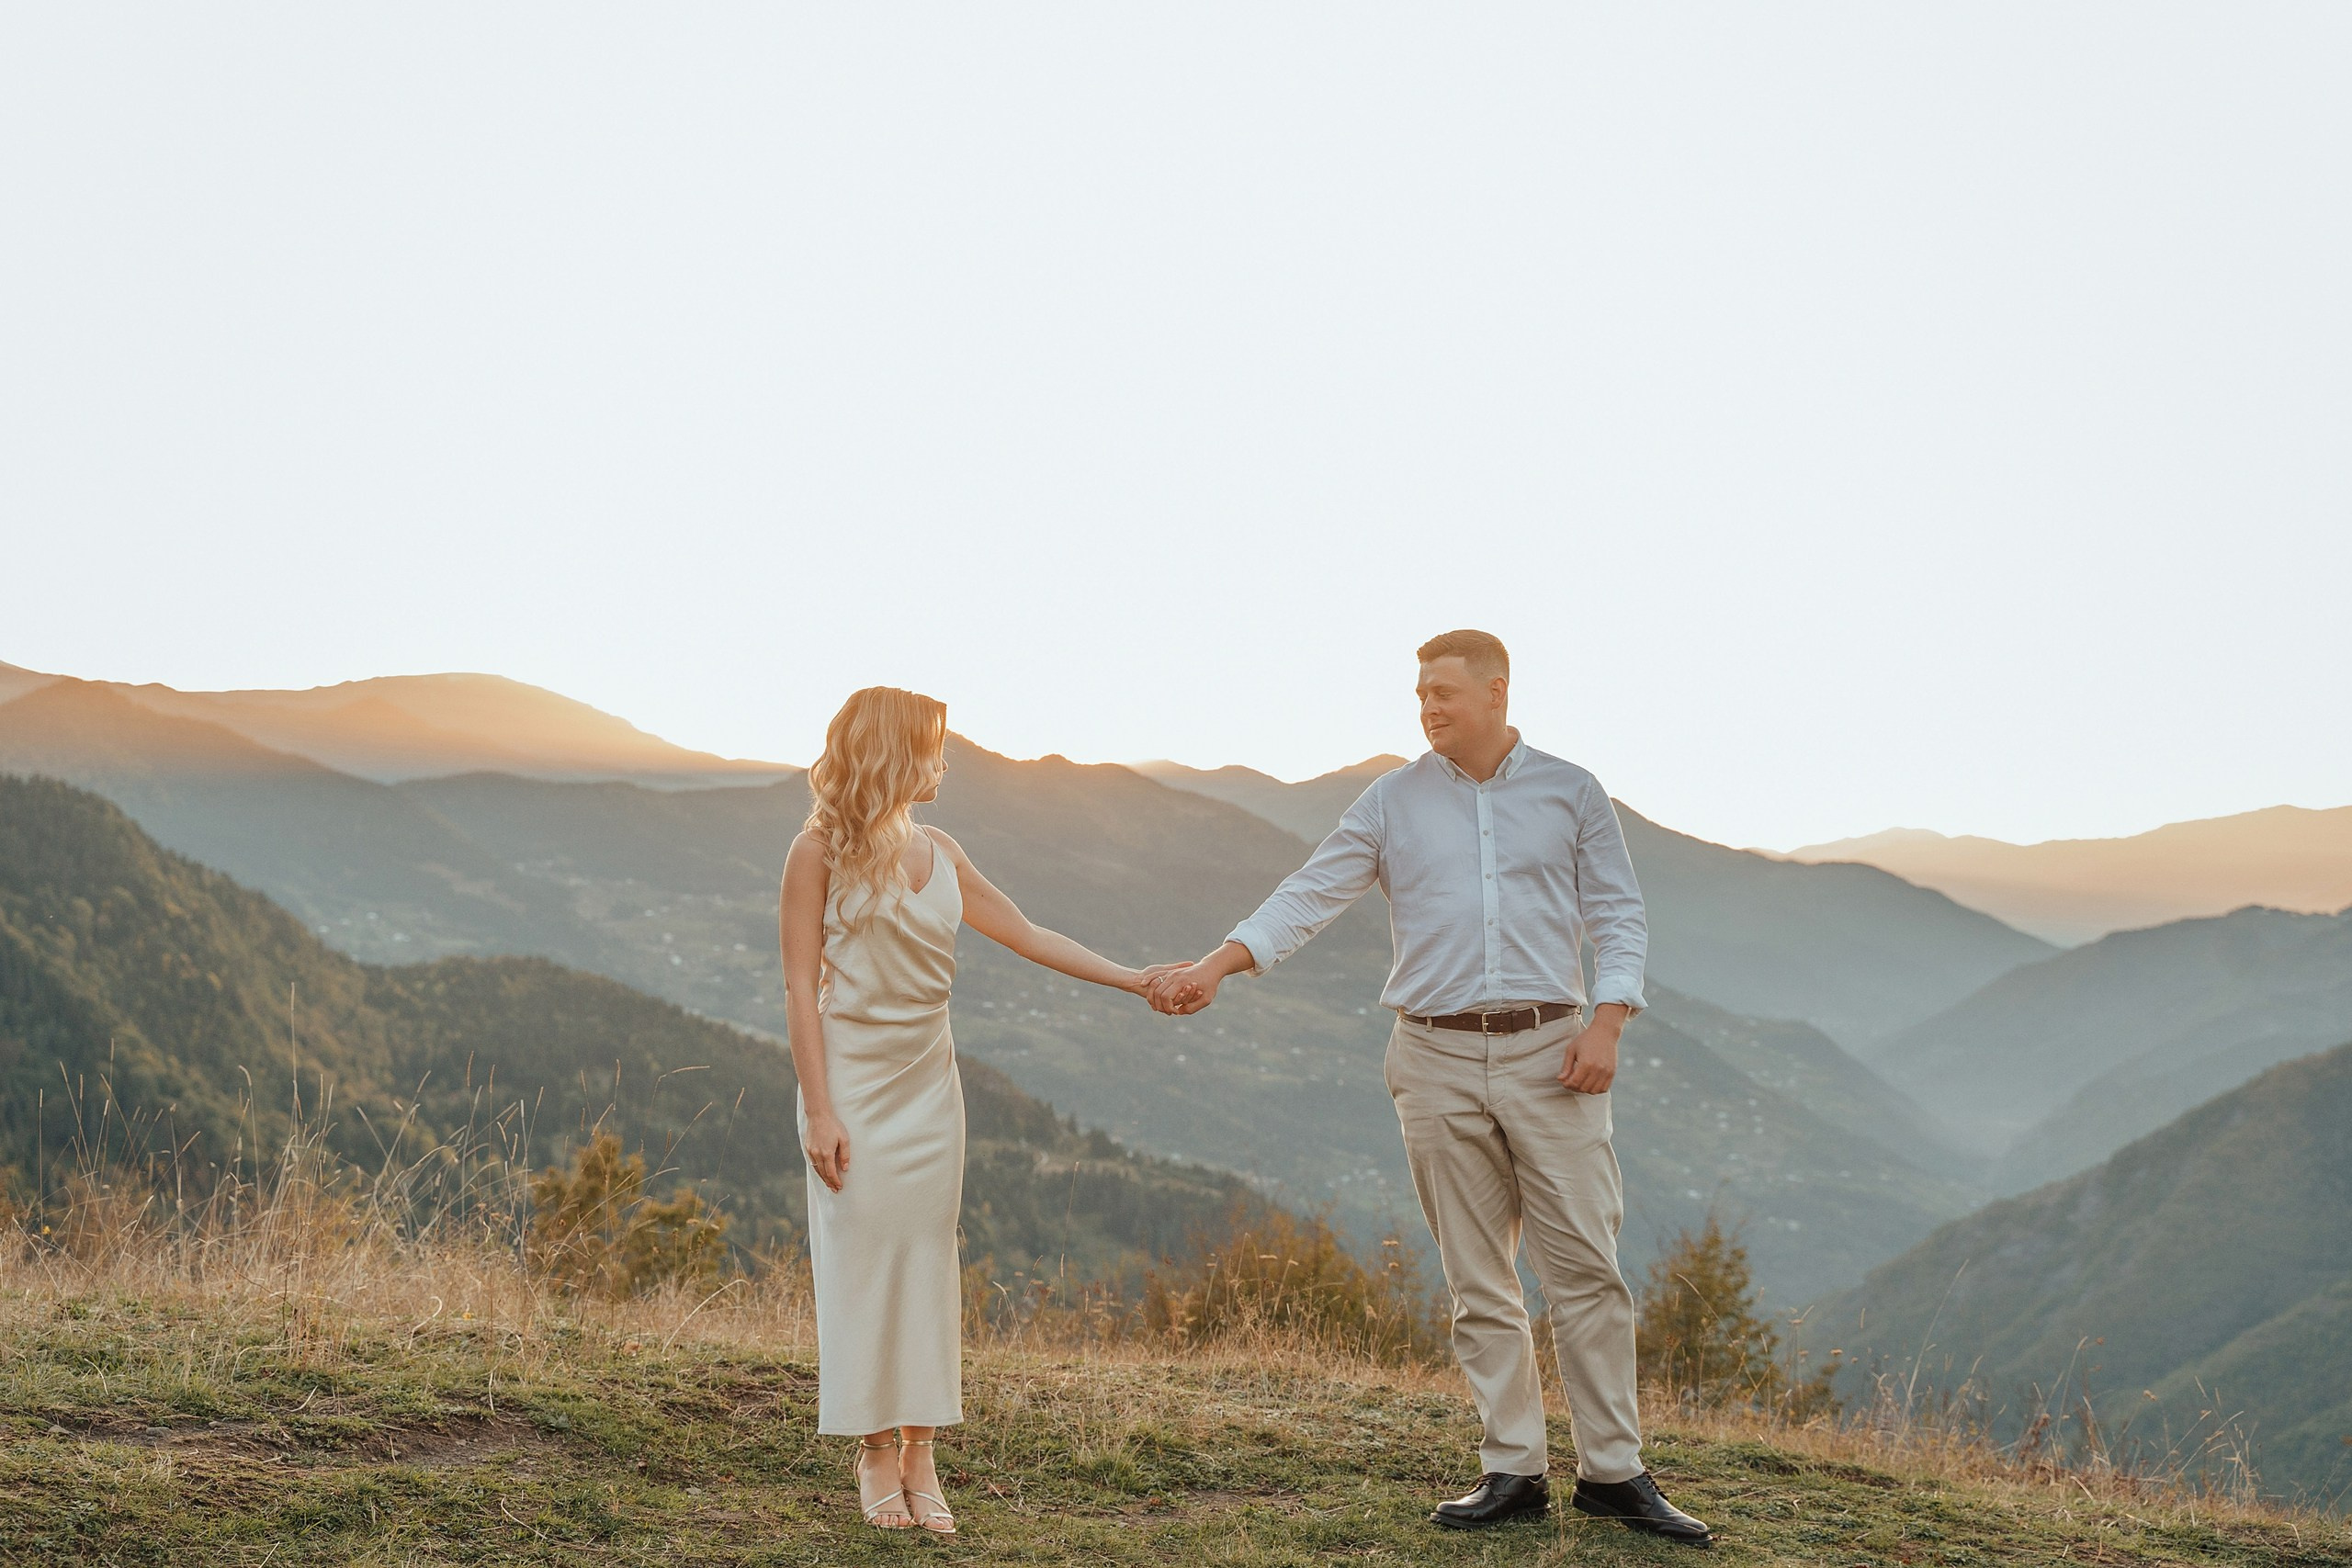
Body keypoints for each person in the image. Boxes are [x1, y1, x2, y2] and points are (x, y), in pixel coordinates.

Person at [1148, 629, 1712, 1547]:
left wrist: (1608, 1020)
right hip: (1431, 1056)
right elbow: (1308, 895)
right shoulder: (1390, 800)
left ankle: (1614, 1475)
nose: (1429, 708)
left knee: (1587, 1276)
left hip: (1553, 1053)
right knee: (1477, 1276)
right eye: (1420, 695)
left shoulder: (1571, 791)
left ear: (1496, 691)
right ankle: (1511, 1472)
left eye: (1445, 692)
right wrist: (1217, 965)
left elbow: (1617, 910)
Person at [780, 686, 1174, 1534]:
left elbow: (1030, 933)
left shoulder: (944, 849)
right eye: (933, 744)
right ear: (893, 751)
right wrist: (819, 1109)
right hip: (851, 1088)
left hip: (931, 1092)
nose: (943, 760)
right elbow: (797, 990)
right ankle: (874, 1450)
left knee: (925, 1263)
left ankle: (921, 1449)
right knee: (863, 1262)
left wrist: (1134, 977)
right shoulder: (814, 853)